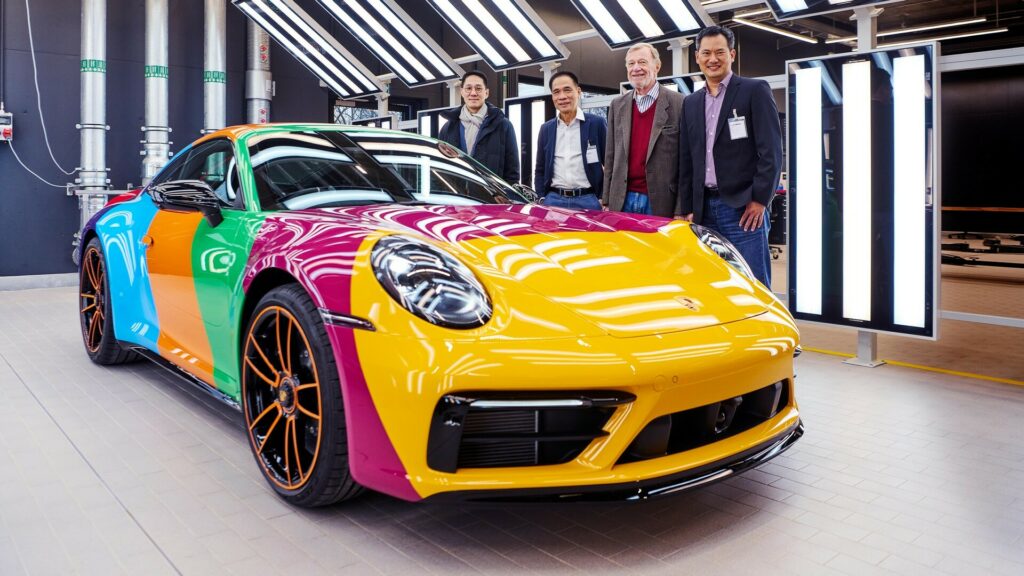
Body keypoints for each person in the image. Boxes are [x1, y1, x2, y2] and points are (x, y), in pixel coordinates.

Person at [677, 25, 782, 288]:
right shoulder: (690, 102)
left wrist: (760, 199)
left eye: (720, 52)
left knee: (753, 282)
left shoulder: (754, 90)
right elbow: (687, 159)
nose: (713, 59)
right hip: (703, 210)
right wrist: (687, 207)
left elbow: (770, 151)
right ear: (697, 57)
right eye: (706, 53)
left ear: (732, 55)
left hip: (743, 208)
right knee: (711, 282)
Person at [602, 42, 683, 217]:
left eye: (642, 62)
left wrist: (680, 209)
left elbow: (686, 162)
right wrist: (607, 199)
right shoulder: (617, 105)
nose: (636, 68)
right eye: (631, 64)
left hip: (662, 201)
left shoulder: (679, 103)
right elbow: (610, 156)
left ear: (657, 66)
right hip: (621, 200)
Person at [533, 71, 607, 211]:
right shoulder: (546, 129)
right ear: (552, 96)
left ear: (578, 92)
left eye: (567, 90)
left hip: (589, 199)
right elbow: (540, 169)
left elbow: (610, 164)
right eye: (556, 92)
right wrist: (542, 197)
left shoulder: (596, 123)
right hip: (553, 200)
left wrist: (604, 197)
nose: (562, 97)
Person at [438, 71, 520, 183]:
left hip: (491, 193)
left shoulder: (503, 125)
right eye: (468, 88)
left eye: (478, 88)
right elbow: (440, 167)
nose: (473, 93)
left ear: (486, 93)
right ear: (462, 92)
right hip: (456, 192)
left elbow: (512, 171)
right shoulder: (448, 128)